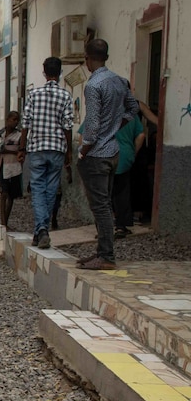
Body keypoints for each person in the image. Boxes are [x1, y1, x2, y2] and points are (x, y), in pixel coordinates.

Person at [77, 38, 138, 270]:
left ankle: (106, 256)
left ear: (87, 58)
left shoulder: (94, 85)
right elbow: (133, 108)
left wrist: (85, 149)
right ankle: (103, 252)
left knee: (100, 206)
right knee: (105, 203)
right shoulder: (120, 81)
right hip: (113, 151)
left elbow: (91, 124)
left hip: (97, 154)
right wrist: (115, 127)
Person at [18, 57, 74, 250]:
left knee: (38, 189)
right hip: (57, 148)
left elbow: (26, 123)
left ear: (44, 73)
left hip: (37, 148)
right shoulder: (66, 96)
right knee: (51, 190)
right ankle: (42, 230)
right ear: (60, 73)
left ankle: (40, 230)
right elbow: (68, 126)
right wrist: (69, 151)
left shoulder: (34, 95)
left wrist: (22, 148)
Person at [112, 108, 146, 238]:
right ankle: (121, 226)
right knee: (121, 192)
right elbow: (141, 135)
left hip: (102, 156)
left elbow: (85, 135)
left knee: (103, 194)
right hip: (124, 156)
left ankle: (103, 229)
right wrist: (133, 152)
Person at [0, 111, 23, 228]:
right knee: (3, 194)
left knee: (11, 196)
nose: (15, 122)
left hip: (14, 168)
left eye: (17, 120)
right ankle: (3, 223)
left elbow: (22, 151)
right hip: (2, 166)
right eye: (13, 119)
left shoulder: (19, 135)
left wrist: (7, 151)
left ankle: (6, 221)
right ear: (7, 119)